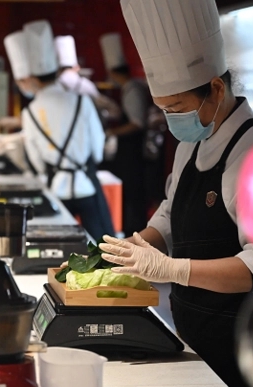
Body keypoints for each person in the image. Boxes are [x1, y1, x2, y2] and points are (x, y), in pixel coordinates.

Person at [97, 0, 253, 387]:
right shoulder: (194, 139)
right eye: (164, 110)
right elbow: (172, 209)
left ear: (216, 89)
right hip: (193, 332)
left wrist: (173, 269)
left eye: (176, 108)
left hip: (244, 343)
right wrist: (136, 247)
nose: (172, 119)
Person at [20, 20, 114, 241]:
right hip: (87, 183)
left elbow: (35, 158)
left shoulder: (30, 111)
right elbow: (98, 144)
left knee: (59, 247)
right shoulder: (81, 100)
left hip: (55, 188)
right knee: (102, 248)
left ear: (32, 78)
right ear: (57, 72)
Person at [99, 32, 152, 235]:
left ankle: (135, 231)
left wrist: (111, 132)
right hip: (129, 151)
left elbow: (137, 123)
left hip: (133, 151)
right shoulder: (130, 87)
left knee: (133, 192)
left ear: (113, 72)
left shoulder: (132, 89)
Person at [54, 35, 121, 121]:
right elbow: (114, 110)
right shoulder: (87, 85)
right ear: (77, 67)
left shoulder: (52, 86)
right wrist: (102, 114)